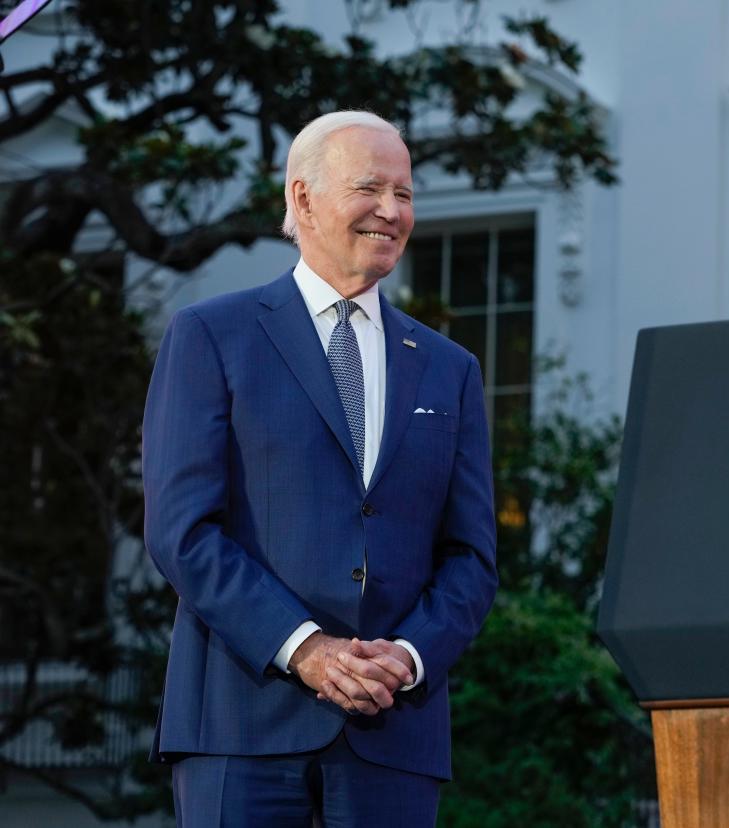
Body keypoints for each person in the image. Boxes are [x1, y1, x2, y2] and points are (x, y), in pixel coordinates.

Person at [141, 110, 498, 826]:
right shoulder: (212, 336)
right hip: (239, 731)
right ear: (302, 198)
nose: (393, 212)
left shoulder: (450, 370)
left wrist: (408, 655)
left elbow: (471, 558)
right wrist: (305, 649)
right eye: (371, 188)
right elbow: (182, 532)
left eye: (406, 193)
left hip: (392, 734)